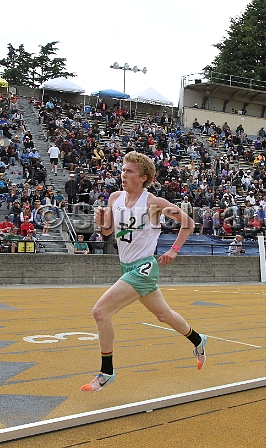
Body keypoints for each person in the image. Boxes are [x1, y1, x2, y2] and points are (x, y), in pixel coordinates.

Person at [81, 151, 206, 392]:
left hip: (144, 268)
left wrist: (174, 250)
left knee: (100, 312)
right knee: (164, 316)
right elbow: (108, 233)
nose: (123, 174)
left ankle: (106, 372)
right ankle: (198, 340)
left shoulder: (152, 203)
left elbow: (188, 222)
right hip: (127, 267)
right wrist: (100, 222)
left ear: (143, 177)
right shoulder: (115, 198)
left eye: (129, 171)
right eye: (123, 170)